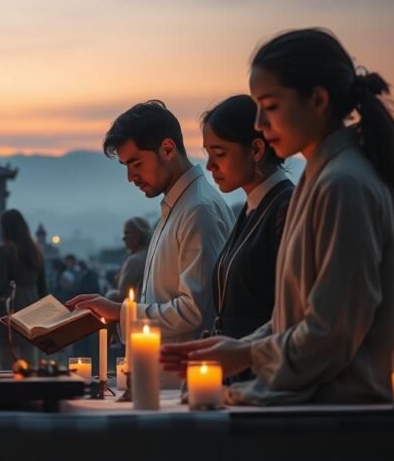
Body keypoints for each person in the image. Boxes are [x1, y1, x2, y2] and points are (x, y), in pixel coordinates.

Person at [162, 28, 394, 404]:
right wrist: (240, 347)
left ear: (318, 99)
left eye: (269, 106)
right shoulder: (323, 179)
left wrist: (246, 354)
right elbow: (303, 316)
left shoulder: (342, 184)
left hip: (353, 417)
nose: (258, 121)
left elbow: (331, 332)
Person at [67, 101, 233, 350]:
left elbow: (194, 310)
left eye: (136, 164)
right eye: (126, 167)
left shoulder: (198, 211)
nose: (130, 177)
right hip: (163, 374)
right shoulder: (178, 207)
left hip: (184, 378)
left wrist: (121, 312)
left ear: (167, 149)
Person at [201, 95, 294, 340]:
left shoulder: (286, 208)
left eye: (219, 153)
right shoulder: (251, 208)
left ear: (256, 149)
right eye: (208, 153)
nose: (210, 165)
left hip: (262, 367)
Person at [0, 209, 47, 370]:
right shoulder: (36, 251)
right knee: (30, 360)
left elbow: (1, 286)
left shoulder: (5, 251)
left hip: (12, 306)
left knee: (8, 362)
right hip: (33, 306)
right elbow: (43, 289)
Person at [109, 217, 151, 301]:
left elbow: (123, 294)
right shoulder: (153, 255)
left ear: (138, 235)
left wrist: (110, 295)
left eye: (127, 233)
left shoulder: (134, 261)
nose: (123, 238)